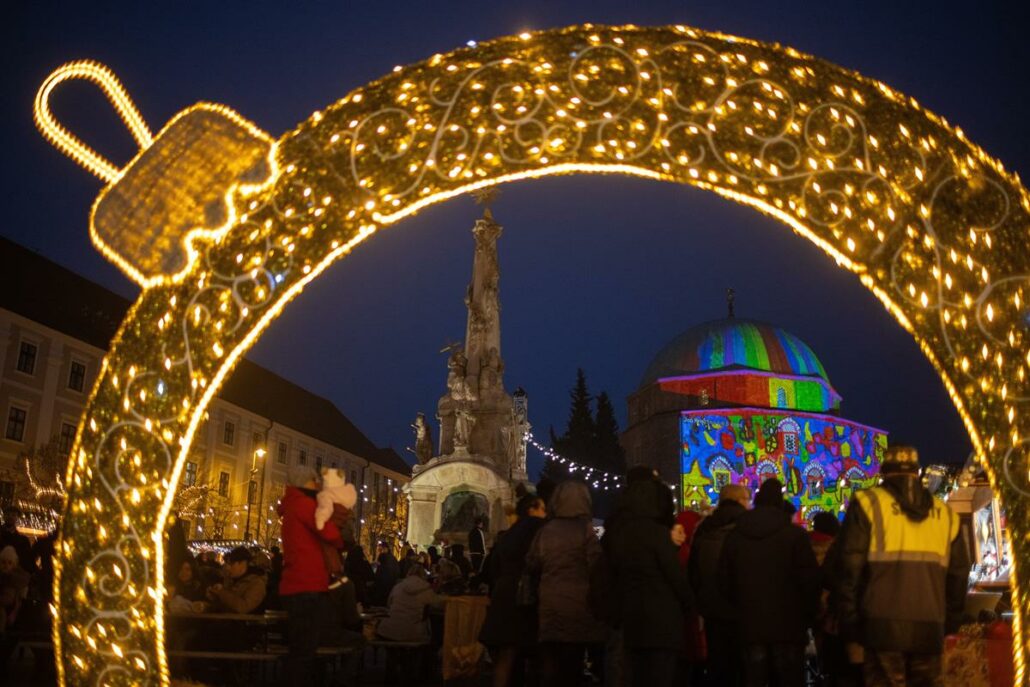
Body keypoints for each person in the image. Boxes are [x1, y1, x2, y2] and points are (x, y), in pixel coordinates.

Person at [835, 446, 969, 686]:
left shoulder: (868, 504)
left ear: (884, 472)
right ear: (917, 473)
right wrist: (949, 623)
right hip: (930, 630)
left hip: (880, 630)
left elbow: (848, 570)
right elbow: (958, 576)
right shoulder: (945, 514)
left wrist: (851, 626)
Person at [719, 479, 819, 687]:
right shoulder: (795, 536)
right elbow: (808, 580)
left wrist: (739, 608)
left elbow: (724, 580)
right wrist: (808, 615)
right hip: (789, 625)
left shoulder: (736, 535)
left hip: (750, 623)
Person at [608, 478, 693, 687]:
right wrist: (691, 605)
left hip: (632, 619)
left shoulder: (621, 534)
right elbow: (674, 575)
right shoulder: (658, 534)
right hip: (661, 621)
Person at [525, 481, 608, 687]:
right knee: (573, 663)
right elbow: (596, 565)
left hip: (550, 602)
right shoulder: (586, 531)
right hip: (579, 605)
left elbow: (532, 562)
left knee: (550, 662)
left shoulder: (547, 530)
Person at [278, 465, 346, 684]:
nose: (317, 484)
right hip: (307, 585)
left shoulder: (290, 506)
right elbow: (331, 533)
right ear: (304, 483)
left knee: (299, 647)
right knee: (305, 650)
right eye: (313, 480)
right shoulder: (304, 504)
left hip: (294, 584)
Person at [479, 493, 548, 687]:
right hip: (527, 597)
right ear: (532, 509)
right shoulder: (539, 529)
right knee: (537, 655)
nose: (545, 512)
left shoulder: (507, 534)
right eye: (542, 508)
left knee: (506, 655)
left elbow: (493, 568)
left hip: (503, 596)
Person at [689, 482, 749, 686]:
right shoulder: (747, 525)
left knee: (718, 665)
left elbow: (693, 569)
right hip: (741, 607)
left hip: (711, 608)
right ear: (740, 500)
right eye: (747, 499)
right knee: (741, 667)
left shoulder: (704, 526)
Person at [376, 564, 444, 643]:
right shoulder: (426, 589)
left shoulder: (398, 587)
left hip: (389, 630)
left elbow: (389, 605)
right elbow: (438, 605)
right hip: (413, 632)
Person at [205, 546, 267, 614]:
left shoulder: (257, 583)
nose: (228, 568)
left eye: (231, 564)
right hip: (228, 622)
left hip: (247, 623)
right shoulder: (231, 580)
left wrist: (221, 592)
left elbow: (243, 607)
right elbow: (227, 604)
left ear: (242, 564)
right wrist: (214, 596)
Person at [0, 509, 32, 574]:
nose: (10, 517)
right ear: (4, 516)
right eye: (8, 514)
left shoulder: (23, 540)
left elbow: (27, 561)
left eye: (13, 515)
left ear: (17, 518)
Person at [373, 542, 400, 606]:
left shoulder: (383, 557)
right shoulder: (393, 558)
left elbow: (378, 570)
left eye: (382, 548)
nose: (381, 550)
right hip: (391, 584)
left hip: (382, 584)